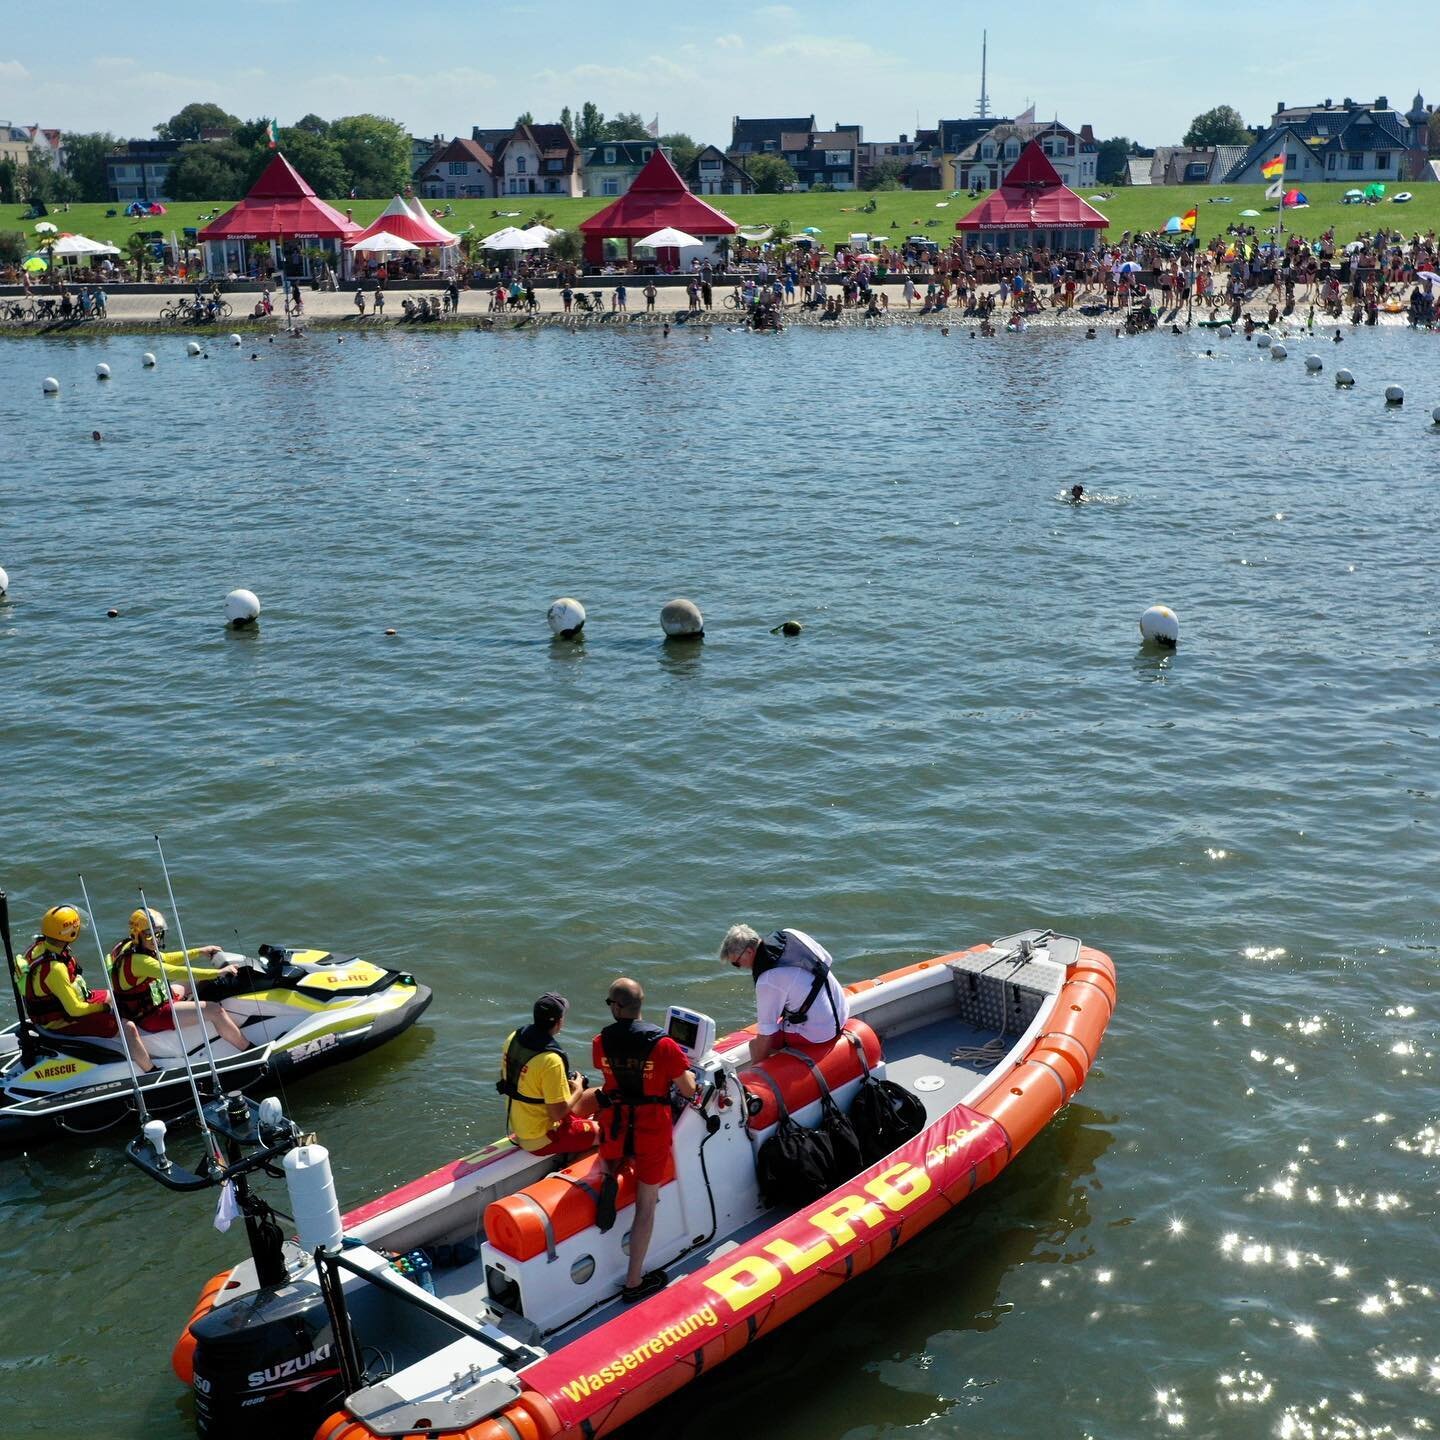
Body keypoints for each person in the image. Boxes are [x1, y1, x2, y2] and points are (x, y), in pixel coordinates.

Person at [592, 977, 696, 1302]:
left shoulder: (600, 1042)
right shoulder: (663, 1045)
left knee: (611, 1149)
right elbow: (689, 1089)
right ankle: (634, 1280)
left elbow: (608, 1074)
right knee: (646, 1206)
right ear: (640, 1005)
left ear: (617, 1007)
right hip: (651, 1129)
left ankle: (610, 1173)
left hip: (616, 1123)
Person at [21, 905, 155, 1071]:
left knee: (115, 996)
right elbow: (75, 1010)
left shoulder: (39, 948)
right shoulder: (55, 969)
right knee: (128, 1027)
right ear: (69, 933)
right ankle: (150, 1068)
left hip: (64, 1003)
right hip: (60, 1022)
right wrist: (104, 1008)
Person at [108, 908, 254, 1056]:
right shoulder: (139, 961)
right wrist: (218, 972)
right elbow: (175, 971)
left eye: (158, 934)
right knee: (215, 1010)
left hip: (155, 998)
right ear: (137, 935)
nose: (155, 939)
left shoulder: (130, 946)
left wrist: (199, 951)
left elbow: (165, 958)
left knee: (200, 982)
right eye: (148, 935)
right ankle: (248, 1050)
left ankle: (201, 1014)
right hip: (150, 1015)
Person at [718, 925, 849, 1062]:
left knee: (755, 1045)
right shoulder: (791, 933)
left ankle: (774, 1072)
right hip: (841, 1010)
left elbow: (766, 1034)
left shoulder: (767, 980)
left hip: (821, 1032)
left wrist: (756, 1066)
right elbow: (827, 959)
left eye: (737, 963)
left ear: (749, 951)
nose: (740, 968)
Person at [497, 992, 599, 1157]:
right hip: (541, 1138)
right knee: (609, 1133)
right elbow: (557, 1114)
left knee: (602, 1094)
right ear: (559, 1022)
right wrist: (578, 1089)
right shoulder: (551, 1060)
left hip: (520, 1124)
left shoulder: (514, 1038)